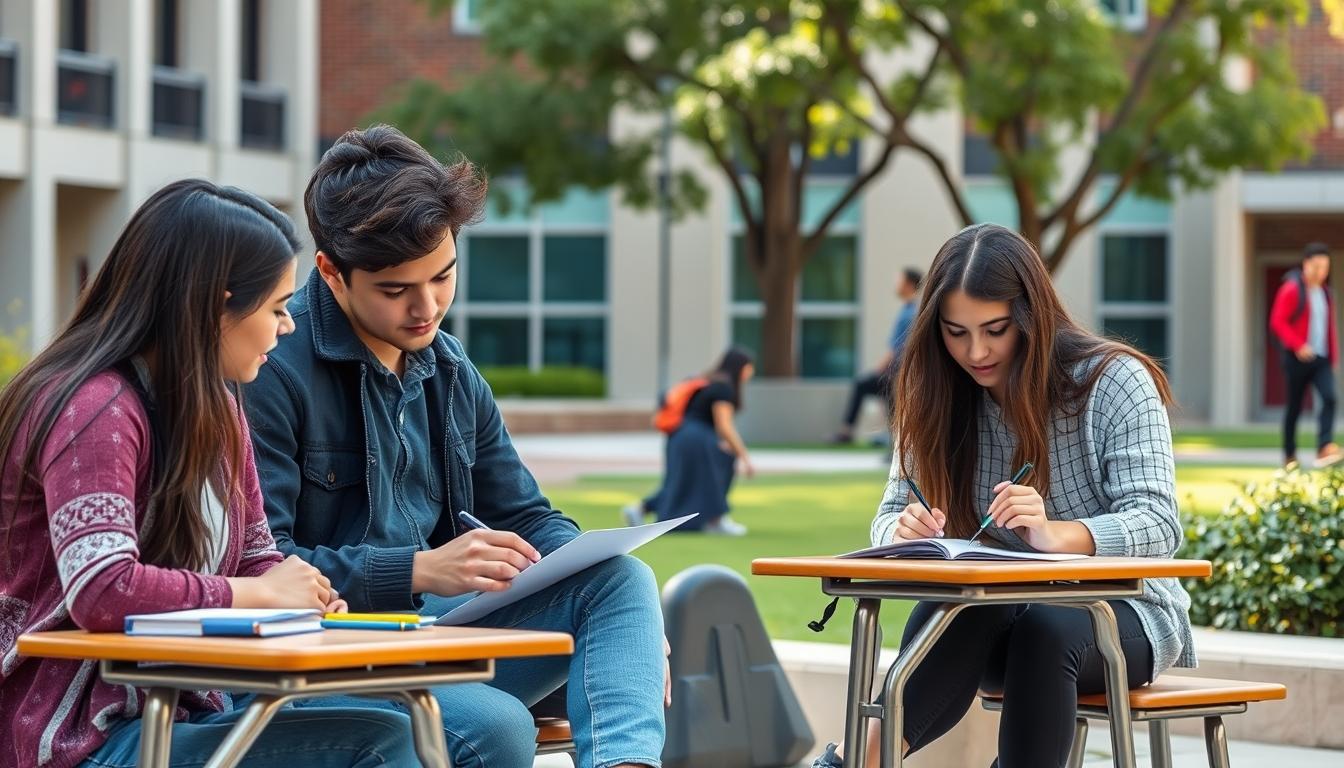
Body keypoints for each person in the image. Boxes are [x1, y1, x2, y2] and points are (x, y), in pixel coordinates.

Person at [242, 125, 667, 768]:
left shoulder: (448, 365)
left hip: (433, 637)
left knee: (620, 580)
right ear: (330, 271)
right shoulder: (271, 371)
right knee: (495, 725)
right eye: (395, 290)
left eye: (444, 276)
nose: (428, 306)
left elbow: (525, 516)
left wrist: (626, 620)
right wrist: (420, 569)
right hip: (320, 659)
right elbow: (262, 567)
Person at [0, 180, 419, 768]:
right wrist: (259, 594)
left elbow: (254, 555)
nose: (289, 325)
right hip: (74, 739)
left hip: (182, 708)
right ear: (214, 307)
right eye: (276, 307)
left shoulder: (219, 409)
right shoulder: (92, 408)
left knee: (391, 728)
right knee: (382, 742)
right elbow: (102, 587)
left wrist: (304, 594)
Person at [812, 224, 1194, 768]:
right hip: (992, 619)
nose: (977, 351)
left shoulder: (1114, 380)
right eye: (955, 332)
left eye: (995, 328)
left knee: (1047, 625)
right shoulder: (935, 394)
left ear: (1030, 316)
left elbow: (1159, 525)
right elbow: (889, 515)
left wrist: (1056, 535)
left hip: (1124, 618)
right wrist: (901, 533)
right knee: (961, 607)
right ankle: (863, 760)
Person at [622, 347, 756, 536]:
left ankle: (641, 508)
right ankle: (715, 519)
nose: (751, 372)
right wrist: (744, 456)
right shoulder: (723, 388)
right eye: (749, 367)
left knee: (679, 480)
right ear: (740, 367)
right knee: (721, 467)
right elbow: (724, 425)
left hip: (678, 436)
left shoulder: (707, 381)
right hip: (698, 439)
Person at [1268, 241, 1341, 469]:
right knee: (1295, 407)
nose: (1321, 272)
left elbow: (1328, 327)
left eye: (1325, 268)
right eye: (1317, 266)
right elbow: (1277, 322)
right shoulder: (1291, 288)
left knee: (1330, 398)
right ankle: (1289, 455)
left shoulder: (1326, 293)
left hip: (1321, 359)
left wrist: (1333, 357)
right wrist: (1298, 345)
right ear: (1306, 264)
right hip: (1297, 358)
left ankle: (1324, 446)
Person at [830, 268, 922, 445]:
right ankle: (892, 445)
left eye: (899, 280)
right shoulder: (909, 309)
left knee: (868, 388)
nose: (896, 284)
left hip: (897, 371)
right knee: (892, 406)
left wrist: (879, 369)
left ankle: (848, 433)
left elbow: (897, 348)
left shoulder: (910, 313)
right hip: (897, 371)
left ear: (909, 284)